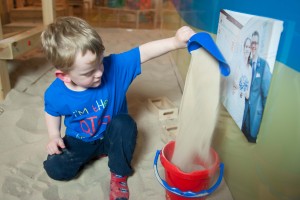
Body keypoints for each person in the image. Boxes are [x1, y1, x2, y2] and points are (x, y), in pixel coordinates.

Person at [41, 16, 195, 200]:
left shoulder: (113, 68)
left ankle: (119, 175)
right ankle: (92, 154)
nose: (99, 72)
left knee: (125, 124)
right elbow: (52, 111)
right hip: (80, 140)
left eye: (100, 62)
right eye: (89, 72)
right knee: (55, 168)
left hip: (111, 136)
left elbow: (143, 52)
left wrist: (175, 42)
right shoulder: (55, 93)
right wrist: (54, 136)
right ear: (64, 76)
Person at [242, 30, 272, 143]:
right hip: (243, 116)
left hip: (255, 119)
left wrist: (265, 124)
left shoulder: (264, 65)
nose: (253, 46)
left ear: (259, 45)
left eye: (256, 43)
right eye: (252, 43)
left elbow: (266, 96)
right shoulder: (247, 62)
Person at [225, 37, 252, 129]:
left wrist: (241, 87)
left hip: (240, 107)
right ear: (243, 48)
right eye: (246, 46)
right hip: (232, 103)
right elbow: (230, 79)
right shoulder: (237, 63)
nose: (247, 49)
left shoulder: (250, 69)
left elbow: (247, 95)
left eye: (249, 47)